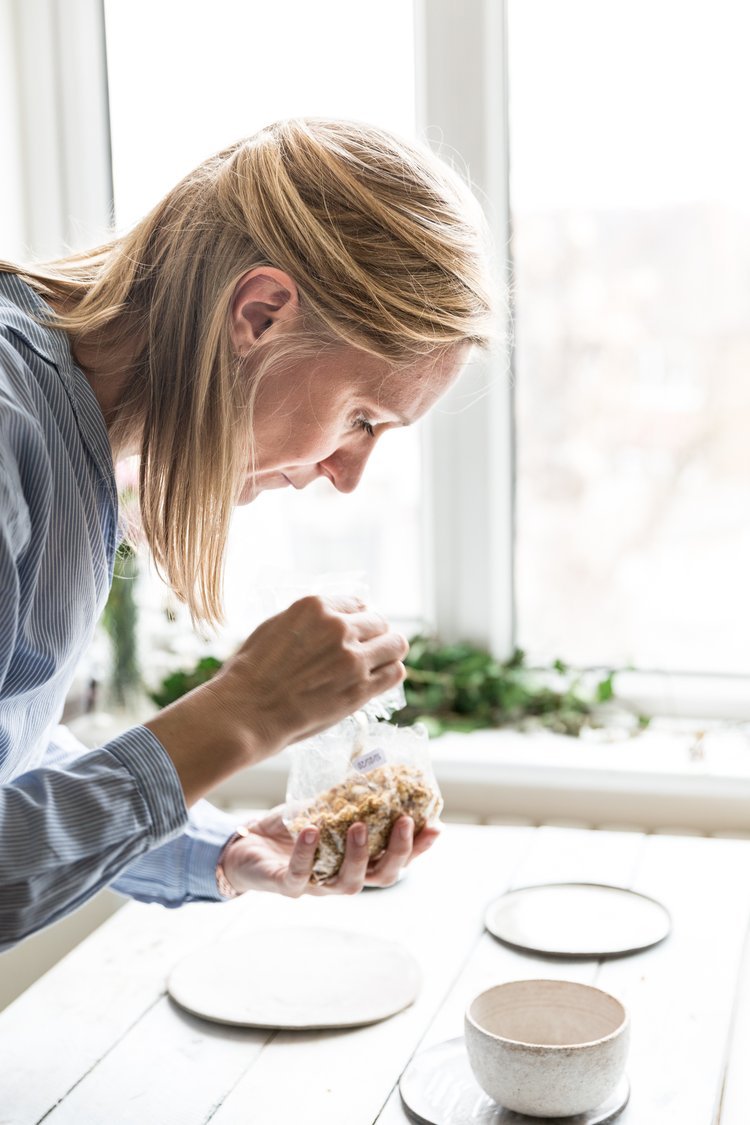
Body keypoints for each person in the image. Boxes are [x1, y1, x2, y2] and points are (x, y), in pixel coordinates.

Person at [0, 118, 494, 949]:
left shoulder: (71, 441)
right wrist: (243, 712)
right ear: (261, 313)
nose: (346, 475)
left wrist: (223, 851)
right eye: (362, 417)